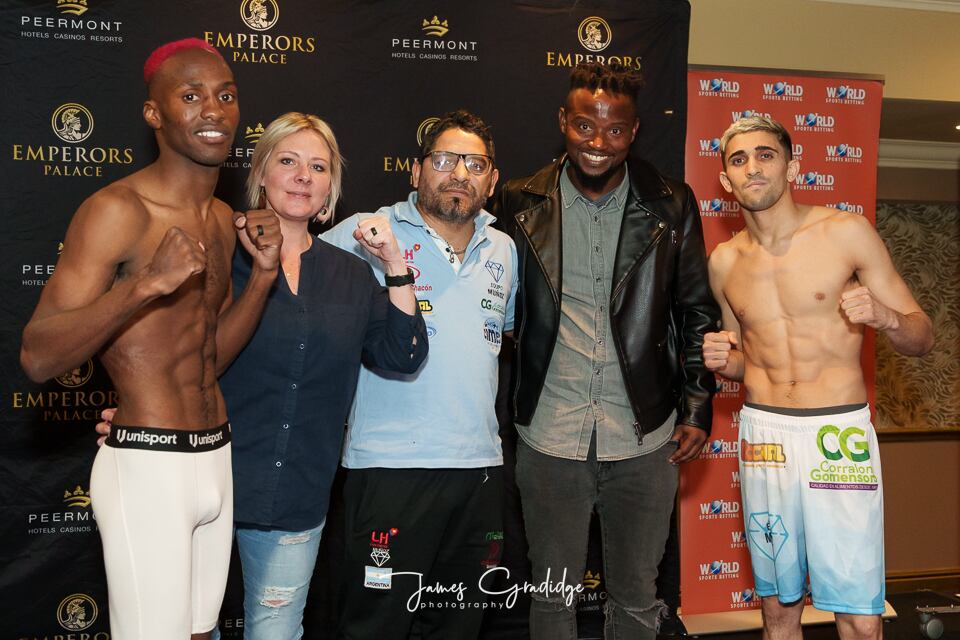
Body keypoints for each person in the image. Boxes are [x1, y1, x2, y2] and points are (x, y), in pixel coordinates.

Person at [97, 111, 428, 639]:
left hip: (294, 495)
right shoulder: (218, 252)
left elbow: (404, 355)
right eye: (289, 161)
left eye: (318, 167)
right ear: (261, 173)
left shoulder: (349, 272)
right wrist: (143, 411)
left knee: (275, 631)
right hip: (198, 474)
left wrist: (393, 262)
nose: (303, 176)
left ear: (330, 188)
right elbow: (164, 346)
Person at [20, 39, 282, 640]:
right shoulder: (116, 210)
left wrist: (264, 277)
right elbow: (38, 356)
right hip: (148, 465)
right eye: (190, 96)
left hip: (217, 456)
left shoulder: (221, 219)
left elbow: (210, 355)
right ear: (153, 114)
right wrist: (144, 287)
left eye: (225, 95)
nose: (212, 110)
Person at [495, 62, 720, 639]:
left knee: (637, 600)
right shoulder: (520, 201)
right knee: (551, 600)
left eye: (615, 130)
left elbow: (697, 311)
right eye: (584, 127)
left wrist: (697, 406)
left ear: (635, 130)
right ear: (562, 123)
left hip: (645, 434)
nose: (599, 142)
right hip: (548, 433)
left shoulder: (671, 203)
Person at [703, 115, 934, 640]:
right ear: (725, 180)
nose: (752, 168)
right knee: (777, 612)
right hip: (764, 436)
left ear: (792, 165)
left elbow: (922, 336)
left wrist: (887, 316)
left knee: (857, 612)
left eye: (766, 155)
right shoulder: (723, 262)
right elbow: (749, 361)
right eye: (738, 160)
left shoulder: (845, 233)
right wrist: (723, 361)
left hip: (839, 436)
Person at [321, 109, 518, 640]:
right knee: (375, 626)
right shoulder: (364, 235)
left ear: (493, 180)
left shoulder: (504, 249)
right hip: (389, 468)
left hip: (479, 468)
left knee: (458, 626)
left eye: (475, 164)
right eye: (445, 159)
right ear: (415, 171)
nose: (460, 173)